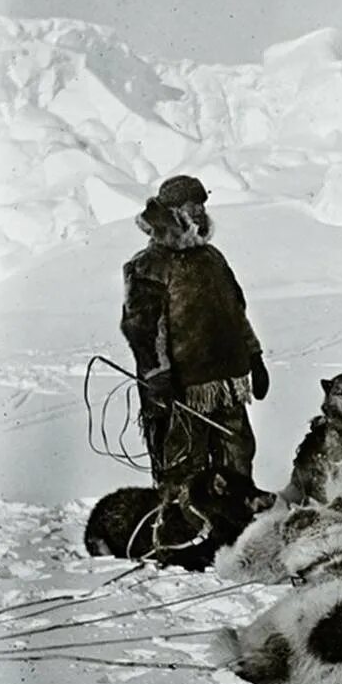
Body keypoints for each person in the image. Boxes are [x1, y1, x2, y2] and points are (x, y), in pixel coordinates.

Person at [120, 175, 269, 494]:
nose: (200, 211)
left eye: (202, 205)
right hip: (182, 389)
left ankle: (237, 531)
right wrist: (158, 378)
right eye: (192, 206)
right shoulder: (148, 265)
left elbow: (236, 312)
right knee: (184, 466)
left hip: (228, 383)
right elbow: (143, 329)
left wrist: (254, 356)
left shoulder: (212, 258)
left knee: (238, 456)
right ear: (171, 212)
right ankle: (177, 531)